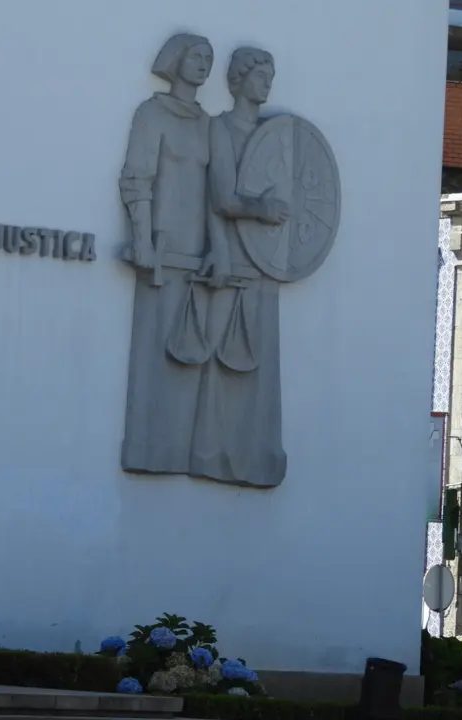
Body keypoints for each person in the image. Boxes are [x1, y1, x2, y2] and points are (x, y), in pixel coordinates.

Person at [119, 32, 218, 477]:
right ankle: (147, 451)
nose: (203, 64)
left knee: (191, 360)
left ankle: (184, 453)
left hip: (198, 260)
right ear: (175, 61)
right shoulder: (152, 113)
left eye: (209, 58)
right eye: (196, 55)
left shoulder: (208, 124)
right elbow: (137, 179)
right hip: (160, 255)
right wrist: (141, 241)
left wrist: (219, 248)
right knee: (153, 362)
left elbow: (216, 195)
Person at [198, 46, 290, 487]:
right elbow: (221, 199)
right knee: (216, 356)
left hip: (265, 265)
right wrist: (260, 208)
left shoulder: (276, 135)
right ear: (238, 80)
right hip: (230, 259)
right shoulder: (220, 128)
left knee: (257, 362)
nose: (267, 83)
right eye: (259, 75)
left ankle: (254, 454)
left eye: (271, 76)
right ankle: (211, 451)